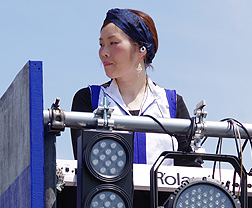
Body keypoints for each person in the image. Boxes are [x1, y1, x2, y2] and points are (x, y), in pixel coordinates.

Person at [70, 8, 197, 166]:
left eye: (113, 43)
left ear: (141, 48)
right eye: (101, 44)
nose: (103, 52)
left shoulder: (172, 103)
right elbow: (85, 165)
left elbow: (190, 170)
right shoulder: (88, 99)